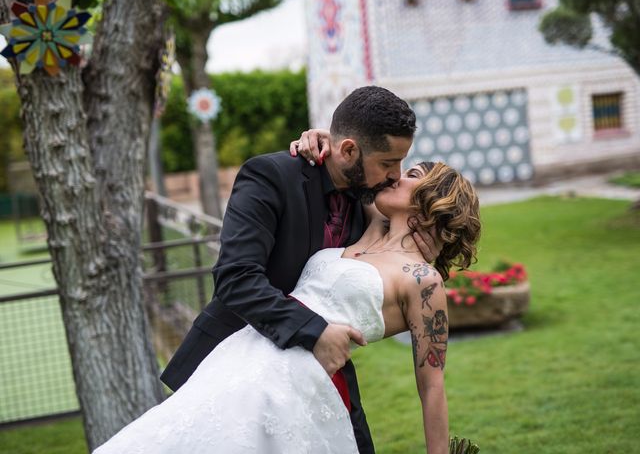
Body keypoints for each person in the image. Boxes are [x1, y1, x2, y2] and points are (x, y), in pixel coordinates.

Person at [94, 161, 481, 453]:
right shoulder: (370, 223)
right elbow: (346, 162)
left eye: (412, 174)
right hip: (245, 350)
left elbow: (432, 387)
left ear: (436, 199)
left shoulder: (423, 281)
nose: (396, 175)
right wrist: (317, 138)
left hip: (299, 383)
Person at [160, 86, 441, 453]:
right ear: (350, 150)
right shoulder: (270, 177)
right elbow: (235, 278)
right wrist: (314, 331)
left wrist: (430, 246)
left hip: (314, 381)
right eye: (388, 163)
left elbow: (402, 272)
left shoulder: (371, 203)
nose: (395, 175)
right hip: (230, 368)